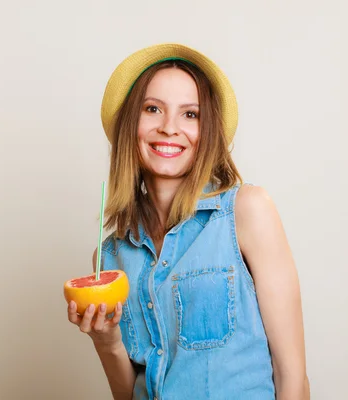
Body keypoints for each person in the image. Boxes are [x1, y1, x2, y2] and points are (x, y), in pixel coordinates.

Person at [66, 43, 309, 400]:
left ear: (206, 131)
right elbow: (128, 395)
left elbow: (293, 377)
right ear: (130, 125)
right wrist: (108, 342)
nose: (169, 128)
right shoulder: (110, 258)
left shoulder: (247, 212)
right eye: (153, 109)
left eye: (190, 114)